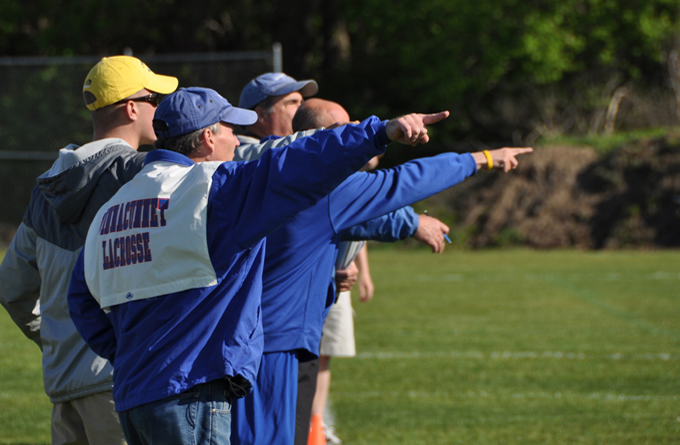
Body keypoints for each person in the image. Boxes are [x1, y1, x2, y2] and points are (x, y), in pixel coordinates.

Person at [67, 87, 445, 445]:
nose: (238, 138)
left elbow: (81, 300)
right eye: (230, 128)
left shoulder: (115, 206)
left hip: (136, 395)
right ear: (207, 138)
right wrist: (381, 132)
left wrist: (130, 353)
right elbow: (301, 162)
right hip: (189, 393)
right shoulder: (215, 186)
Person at [232, 98, 532, 444]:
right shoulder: (323, 187)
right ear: (329, 138)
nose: (357, 132)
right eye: (349, 129)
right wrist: (483, 158)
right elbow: (406, 181)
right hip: (276, 347)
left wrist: (327, 281)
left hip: (238, 339)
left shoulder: (257, 166)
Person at [0, 55, 178, 445]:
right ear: (132, 107)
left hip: (64, 386)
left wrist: (57, 336)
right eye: (154, 100)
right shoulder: (142, 175)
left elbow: (11, 287)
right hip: (121, 382)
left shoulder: (48, 186)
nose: (160, 110)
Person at [293, 98, 452, 445]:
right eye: (287, 101)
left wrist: (358, 270)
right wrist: (477, 161)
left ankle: (315, 428)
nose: (354, 130)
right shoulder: (289, 170)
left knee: (318, 363)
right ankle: (309, 431)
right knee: (299, 374)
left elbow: (358, 222)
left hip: (324, 287)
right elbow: (385, 198)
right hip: (292, 307)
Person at [234, 72, 319, 161]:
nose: (303, 107)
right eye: (292, 102)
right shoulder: (238, 155)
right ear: (261, 115)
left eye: (301, 102)